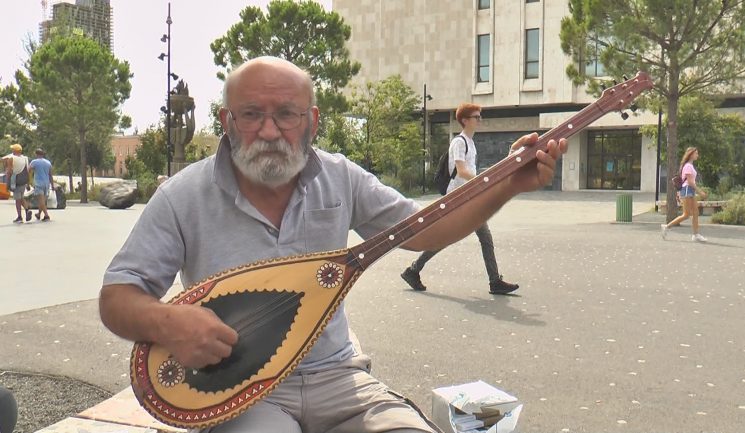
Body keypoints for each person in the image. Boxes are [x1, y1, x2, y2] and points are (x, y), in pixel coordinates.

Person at [98, 56, 567, 433]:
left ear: (312, 121)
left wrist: (506, 184)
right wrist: (168, 322)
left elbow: (421, 228)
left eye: (286, 114)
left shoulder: (340, 177)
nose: (268, 130)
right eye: (251, 115)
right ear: (226, 120)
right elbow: (118, 296)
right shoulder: (182, 196)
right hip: (245, 392)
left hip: (338, 377)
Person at [401, 103, 520, 295]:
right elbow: (463, 171)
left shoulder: (471, 144)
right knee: (452, 238)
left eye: (480, 116)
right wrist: (483, 181)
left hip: (468, 198)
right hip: (457, 199)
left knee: (477, 238)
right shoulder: (459, 142)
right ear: (465, 120)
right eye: (476, 117)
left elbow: (469, 172)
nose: (479, 120)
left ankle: (413, 270)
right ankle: (413, 270)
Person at [661, 146, 708, 242]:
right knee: (686, 214)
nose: (697, 155)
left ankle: (696, 235)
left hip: (689, 190)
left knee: (695, 212)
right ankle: (666, 227)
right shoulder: (687, 166)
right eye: (696, 153)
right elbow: (690, 182)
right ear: (691, 155)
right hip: (687, 190)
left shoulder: (689, 166)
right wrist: (700, 192)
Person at [3, 143, 32, 223]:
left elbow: (9, 172)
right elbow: (28, 171)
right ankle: (27, 210)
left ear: (14, 151)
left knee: (17, 200)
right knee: (21, 197)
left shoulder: (11, 158)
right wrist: (28, 183)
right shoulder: (25, 158)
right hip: (23, 181)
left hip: (15, 181)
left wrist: (7, 184)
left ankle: (19, 216)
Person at [29, 148, 55, 222]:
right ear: (43, 154)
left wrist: (29, 181)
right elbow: (50, 175)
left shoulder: (34, 162)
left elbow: (29, 170)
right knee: (43, 201)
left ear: (36, 154)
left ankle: (46, 215)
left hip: (38, 183)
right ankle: (39, 214)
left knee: (41, 201)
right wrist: (52, 185)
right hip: (46, 184)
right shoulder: (48, 162)